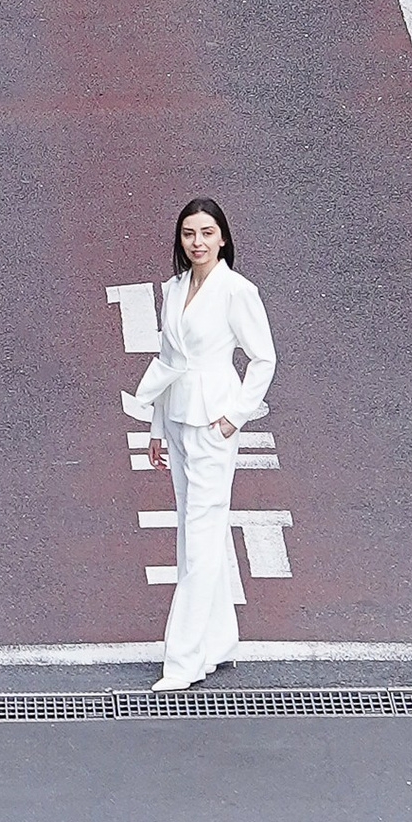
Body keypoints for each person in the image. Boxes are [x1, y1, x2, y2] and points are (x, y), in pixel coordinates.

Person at [131, 196, 276, 692]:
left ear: (223, 238)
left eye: (207, 233)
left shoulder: (237, 291)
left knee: (200, 535)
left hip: (214, 421)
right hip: (177, 418)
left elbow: (263, 358)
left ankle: (184, 661)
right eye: (189, 234)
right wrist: (154, 426)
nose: (197, 243)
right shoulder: (173, 290)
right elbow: (168, 357)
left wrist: (235, 417)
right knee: (195, 531)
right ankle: (217, 644)